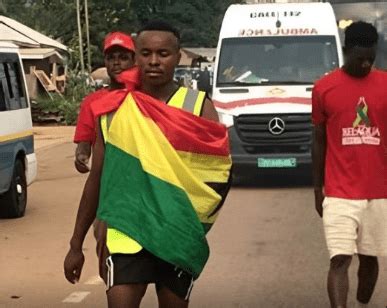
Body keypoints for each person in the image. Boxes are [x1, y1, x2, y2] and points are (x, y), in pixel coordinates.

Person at [64, 21, 232, 308]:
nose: (154, 61)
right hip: (126, 230)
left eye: (163, 53)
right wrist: (75, 244)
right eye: (146, 53)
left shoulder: (197, 105)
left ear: (179, 56)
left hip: (176, 232)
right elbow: (98, 178)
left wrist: (195, 227)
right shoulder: (114, 108)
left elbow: (218, 176)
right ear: (136, 56)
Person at [312, 21, 387, 308]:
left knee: (369, 259)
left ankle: (362, 303)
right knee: (340, 258)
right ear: (345, 51)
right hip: (339, 192)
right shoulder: (324, 88)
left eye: (372, 57)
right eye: (360, 58)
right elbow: (318, 141)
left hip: (379, 192)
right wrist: (317, 188)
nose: (366, 63)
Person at [73, 31, 136, 173]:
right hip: (107, 179)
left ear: (134, 61)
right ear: (105, 62)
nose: (116, 63)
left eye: (123, 57)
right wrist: (81, 157)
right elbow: (84, 143)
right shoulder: (92, 102)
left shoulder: (143, 96)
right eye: (111, 58)